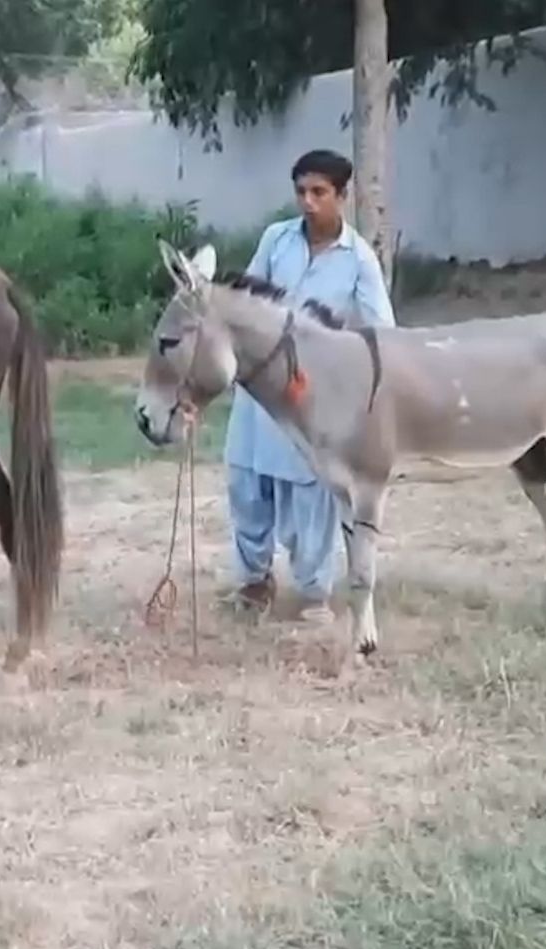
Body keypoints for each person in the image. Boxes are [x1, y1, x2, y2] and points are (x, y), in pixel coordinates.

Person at [224, 148, 396, 623]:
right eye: (301, 191)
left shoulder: (358, 259)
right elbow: (246, 299)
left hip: (311, 393)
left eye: (319, 192)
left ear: (343, 196)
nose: (308, 202)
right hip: (259, 383)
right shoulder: (277, 240)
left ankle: (314, 589)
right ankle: (254, 581)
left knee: (309, 492)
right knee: (247, 482)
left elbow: (383, 329)